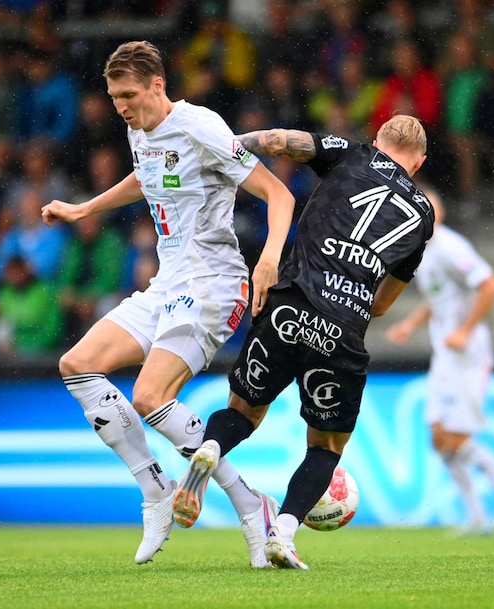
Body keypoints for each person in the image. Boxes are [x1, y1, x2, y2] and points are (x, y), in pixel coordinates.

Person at [40, 40, 295, 566]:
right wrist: (83, 209)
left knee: (149, 395)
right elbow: (146, 178)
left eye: (129, 94)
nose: (122, 107)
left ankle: (252, 508)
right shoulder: (138, 131)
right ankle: (156, 491)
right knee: (78, 365)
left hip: (214, 284)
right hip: (168, 283)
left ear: (158, 83)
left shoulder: (202, 126)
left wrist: (269, 257)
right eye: (114, 98)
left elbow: (279, 194)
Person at [172, 114, 434, 570]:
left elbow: (276, 141)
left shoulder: (353, 153)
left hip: (289, 306)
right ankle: (285, 531)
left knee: (241, 412)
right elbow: (383, 304)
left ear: (378, 141)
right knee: (326, 447)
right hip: (343, 328)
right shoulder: (424, 214)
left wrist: (223, 146)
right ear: (421, 162)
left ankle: (210, 450)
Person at [385, 188, 494, 536]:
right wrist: (409, 324)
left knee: (455, 439)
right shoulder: (422, 252)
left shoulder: (452, 247)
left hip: (467, 355)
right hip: (445, 356)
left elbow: (491, 286)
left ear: (440, 214)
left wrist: (465, 331)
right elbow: (438, 298)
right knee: (438, 437)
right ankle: (478, 516)